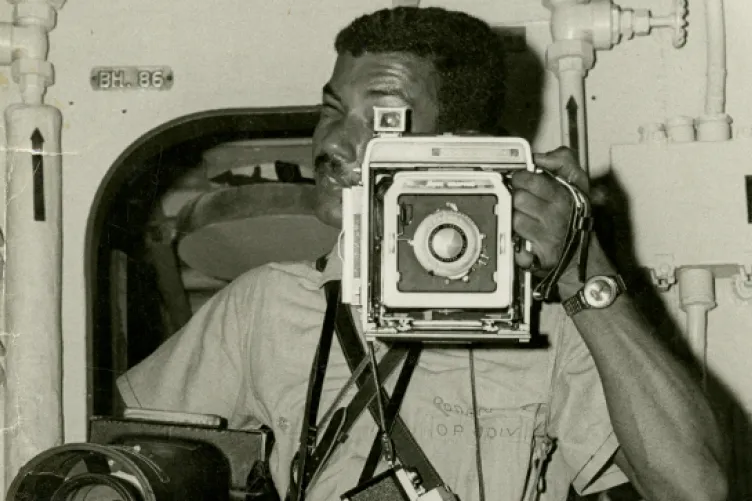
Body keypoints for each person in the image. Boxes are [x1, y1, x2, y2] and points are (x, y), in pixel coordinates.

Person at [117, 7, 728, 501]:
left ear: (456, 148)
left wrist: (585, 270)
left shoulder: (554, 320)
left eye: (378, 117)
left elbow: (696, 490)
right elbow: (127, 463)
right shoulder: (268, 304)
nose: (332, 140)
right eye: (332, 110)